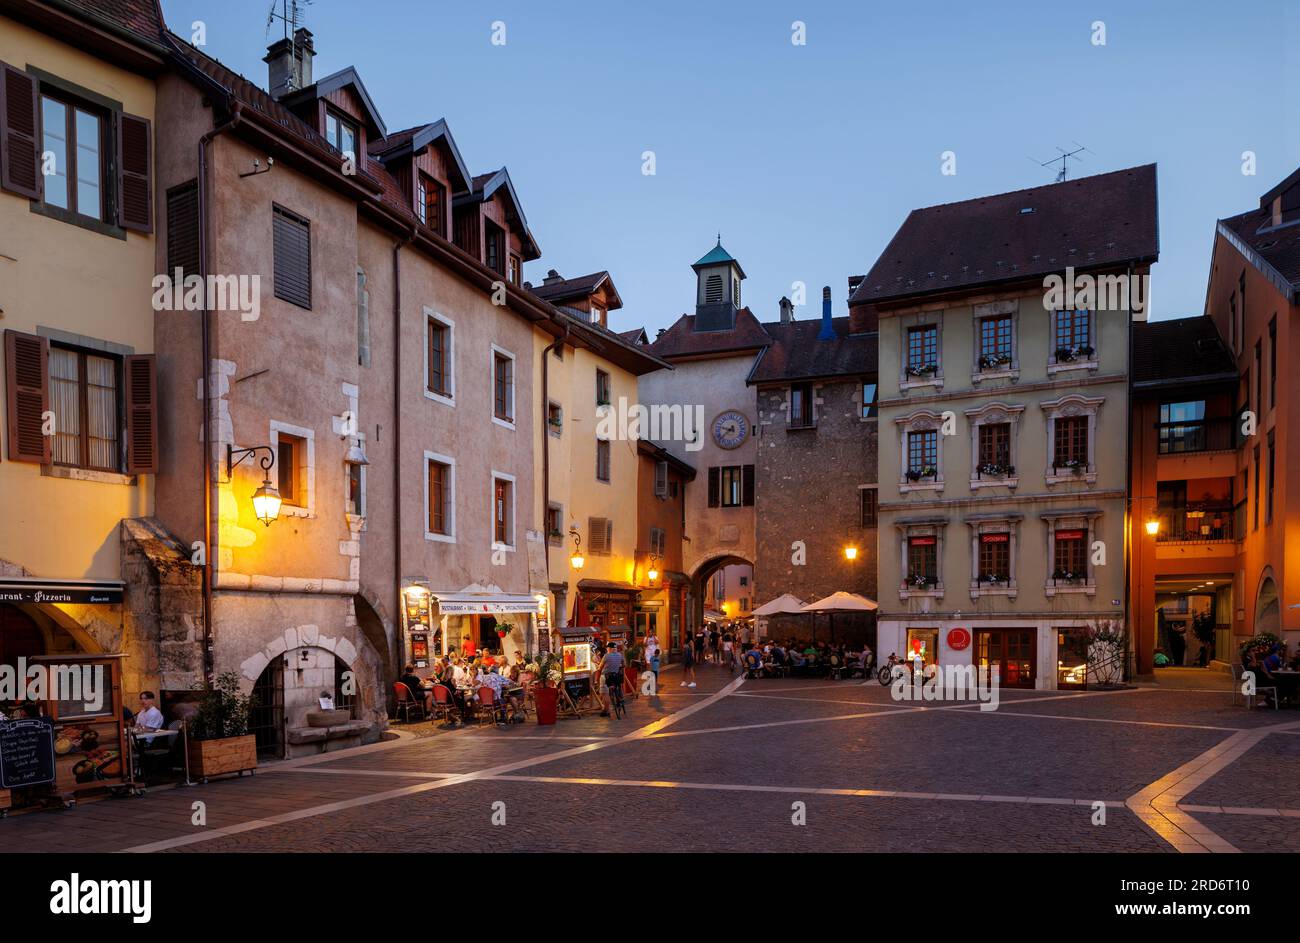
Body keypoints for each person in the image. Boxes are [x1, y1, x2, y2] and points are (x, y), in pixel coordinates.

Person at [596, 643, 626, 717]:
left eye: (607, 648)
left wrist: (596, 680)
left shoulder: (607, 656)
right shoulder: (619, 655)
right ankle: (620, 699)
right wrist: (618, 666)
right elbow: (624, 664)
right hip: (615, 675)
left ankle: (606, 710)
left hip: (606, 676)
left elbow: (600, 668)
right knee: (617, 687)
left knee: (604, 693)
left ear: (609, 648)